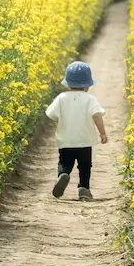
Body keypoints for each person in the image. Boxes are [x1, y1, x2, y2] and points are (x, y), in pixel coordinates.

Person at [45, 61, 107, 200]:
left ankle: (62, 174)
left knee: (64, 162)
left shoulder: (61, 98)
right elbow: (97, 115)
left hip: (66, 140)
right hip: (84, 141)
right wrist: (102, 133)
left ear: (67, 83)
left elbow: (51, 115)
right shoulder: (90, 99)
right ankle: (83, 189)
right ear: (88, 85)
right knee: (85, 166)